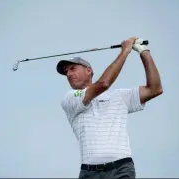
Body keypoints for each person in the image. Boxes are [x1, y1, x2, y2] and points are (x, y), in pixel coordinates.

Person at [56, 37, 163, 179]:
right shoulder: (69, 98)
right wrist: (125, 51)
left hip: (121, 169)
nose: (69, 74)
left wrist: (143, 51)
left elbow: (155, 89)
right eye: (66, 72)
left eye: (73, 68)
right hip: (89, 173)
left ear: (88, 70)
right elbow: (103, 84)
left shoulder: (119, 96)